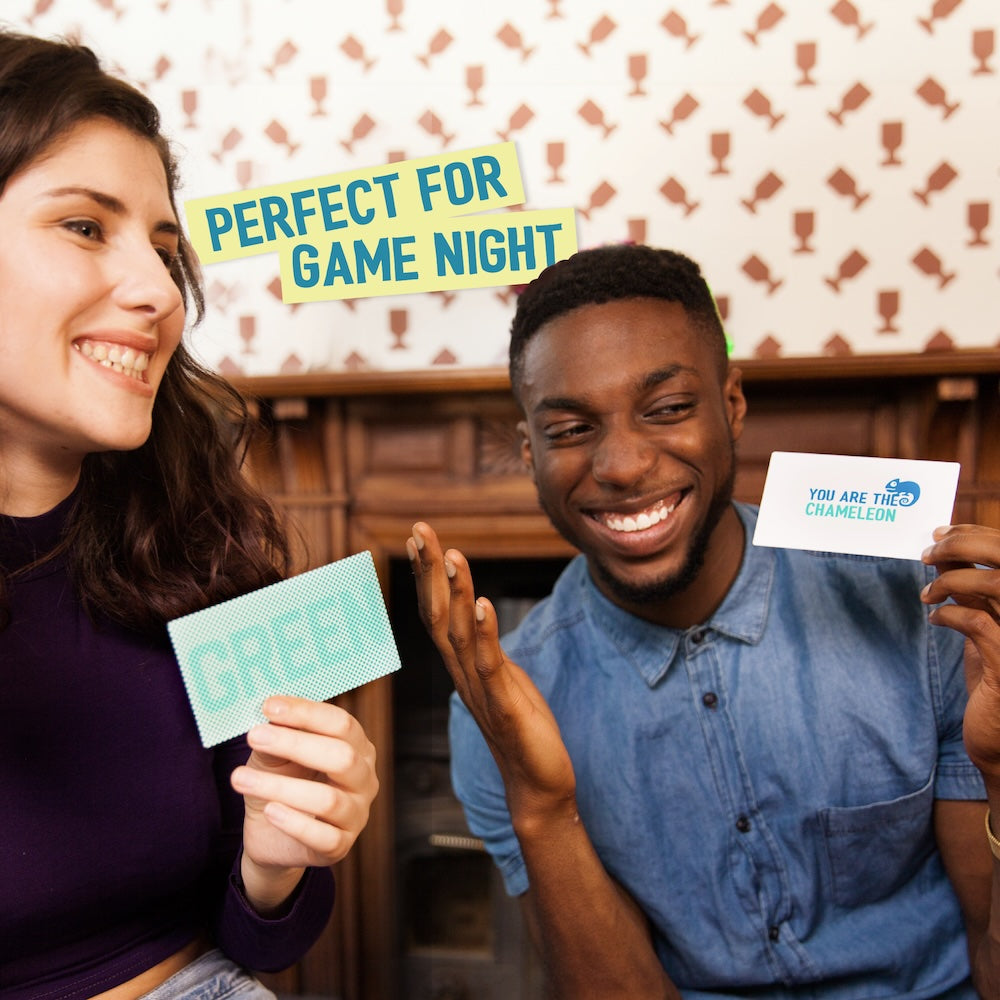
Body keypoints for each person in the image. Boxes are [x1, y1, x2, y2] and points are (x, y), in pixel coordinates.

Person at [407, 244, 1000, 999]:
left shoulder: (919, 608)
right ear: (530, 453)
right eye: (571, 429)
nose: (622, 466)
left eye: (667, 409)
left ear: (733, 406)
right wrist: (545, 811)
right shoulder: (497, 711)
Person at [0, 31, 378, 1000]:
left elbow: (263, 937)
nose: (161, 293)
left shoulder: (200, 538)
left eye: (168, 252)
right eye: (85, 226)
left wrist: (278, 858)